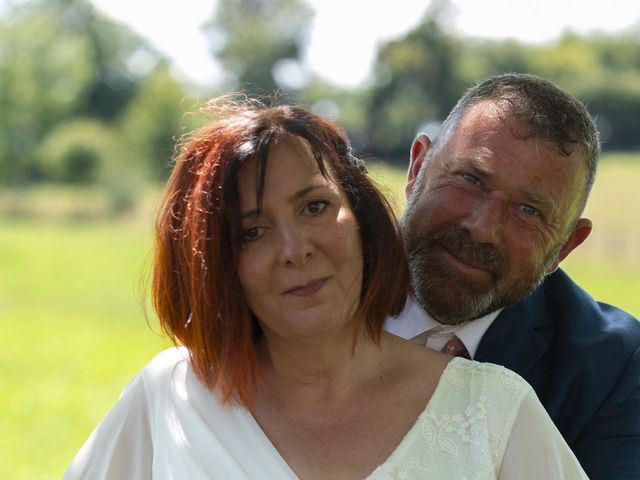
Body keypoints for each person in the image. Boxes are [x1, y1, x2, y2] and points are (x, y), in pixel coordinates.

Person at [63, 97, 587, 479]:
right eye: (252, 231)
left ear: (360, 214)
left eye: (314, 207)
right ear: (217, 264)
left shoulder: (497, 410)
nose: (295, 248)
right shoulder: (171, 394)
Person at [386, 72, 640, 479]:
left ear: (565, 247)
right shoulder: (301, 284)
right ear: (418, 167)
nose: (483, 228)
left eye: (529, 211)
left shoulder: (614, 367)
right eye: (470, 179)